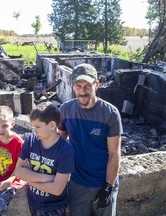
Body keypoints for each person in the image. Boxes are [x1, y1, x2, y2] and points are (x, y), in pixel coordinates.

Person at [58, 63, 123, 216]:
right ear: (72, 86)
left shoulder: (110, 113)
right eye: (78, 86)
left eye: (87, 86)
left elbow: (114, 153)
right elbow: (59, 143)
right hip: (77, 183)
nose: (82, 92)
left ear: (97, 84)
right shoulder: (65, 110)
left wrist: (108, 187)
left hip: (103, 182)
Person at [15, 102, 74, 216]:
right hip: (33, 203)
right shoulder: (31, 140)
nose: (34, 130)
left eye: (37, 126)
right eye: (33, 126)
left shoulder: (66, 150)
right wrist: (50, 178)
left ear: (52, 125)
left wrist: (29, 178)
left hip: (54, 208)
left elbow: (57, 189)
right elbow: (18, 171)